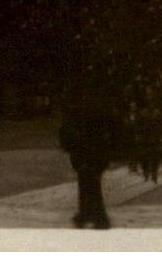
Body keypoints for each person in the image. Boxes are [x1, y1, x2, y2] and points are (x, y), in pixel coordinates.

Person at [60, 98, 121, 229]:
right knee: (90, 182)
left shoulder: (78, 104)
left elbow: (68, 125)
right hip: (95, 149)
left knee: (87, 182)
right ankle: (90, 214)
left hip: (85, 149)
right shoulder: (99, 104)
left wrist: (68, 144)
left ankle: (93, 215)